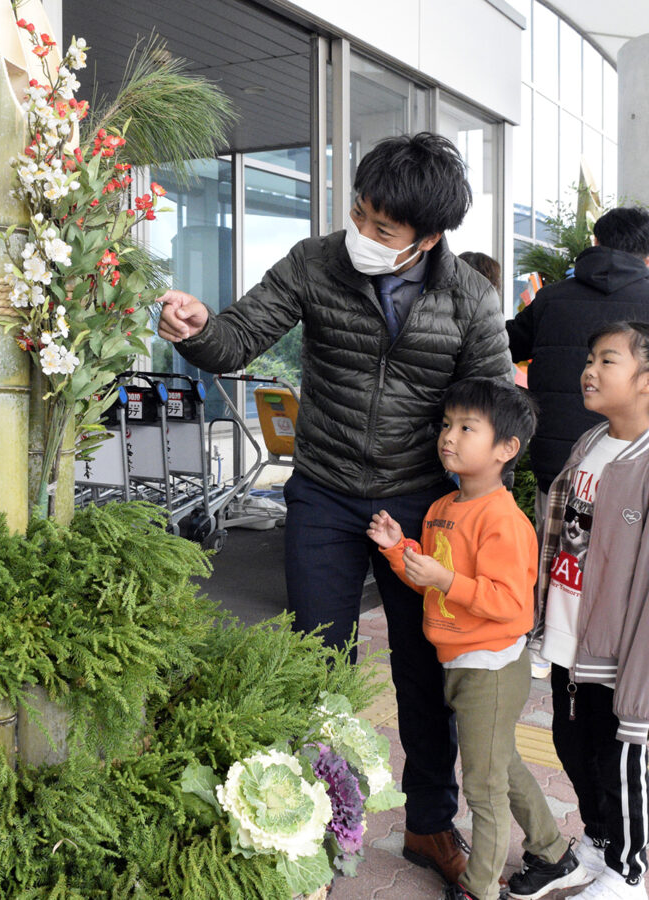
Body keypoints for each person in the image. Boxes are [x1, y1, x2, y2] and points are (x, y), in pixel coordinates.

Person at [156, 132, 511, 886]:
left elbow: (494, 406)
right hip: (323, 491)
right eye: (359, 214)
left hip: (421, 506)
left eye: (383, 230)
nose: (363, 235)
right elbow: (242, 334)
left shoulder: (470, 298)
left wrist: (483, 507)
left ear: (429, 238)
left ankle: (428, 824)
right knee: (316, 666)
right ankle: (312, 821)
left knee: (424, 675)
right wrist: (196, 331)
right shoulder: (316, 262)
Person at [368, 378, 590, 900]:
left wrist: (444, 579)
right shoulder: (444, 507)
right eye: (447, 425)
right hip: (460, 663)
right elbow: (431, 582)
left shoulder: (504, 521)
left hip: (491, 667)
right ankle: (554, 850)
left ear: (506, 449)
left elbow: (511, 605)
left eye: (468, 428)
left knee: (484, 789)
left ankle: (481, 887)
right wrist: (400, 550)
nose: (449, 436)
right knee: (501, 765)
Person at [535, 322, 649, 900]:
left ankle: (628, 873)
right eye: (590, 357)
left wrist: (641, 690)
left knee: (618, 764)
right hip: (569, 639)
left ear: (648, 381)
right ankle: (598, 841)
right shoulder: (590, 443)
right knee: (571, 745)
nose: (590, 368)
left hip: (618, 657)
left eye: (606, 360)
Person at [508, 206, 649, 516]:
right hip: (639, 461)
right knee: (627, 560)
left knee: (558, 555)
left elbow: (501, 348)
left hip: (560, 462)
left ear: (595, 242)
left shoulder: (550, 299)